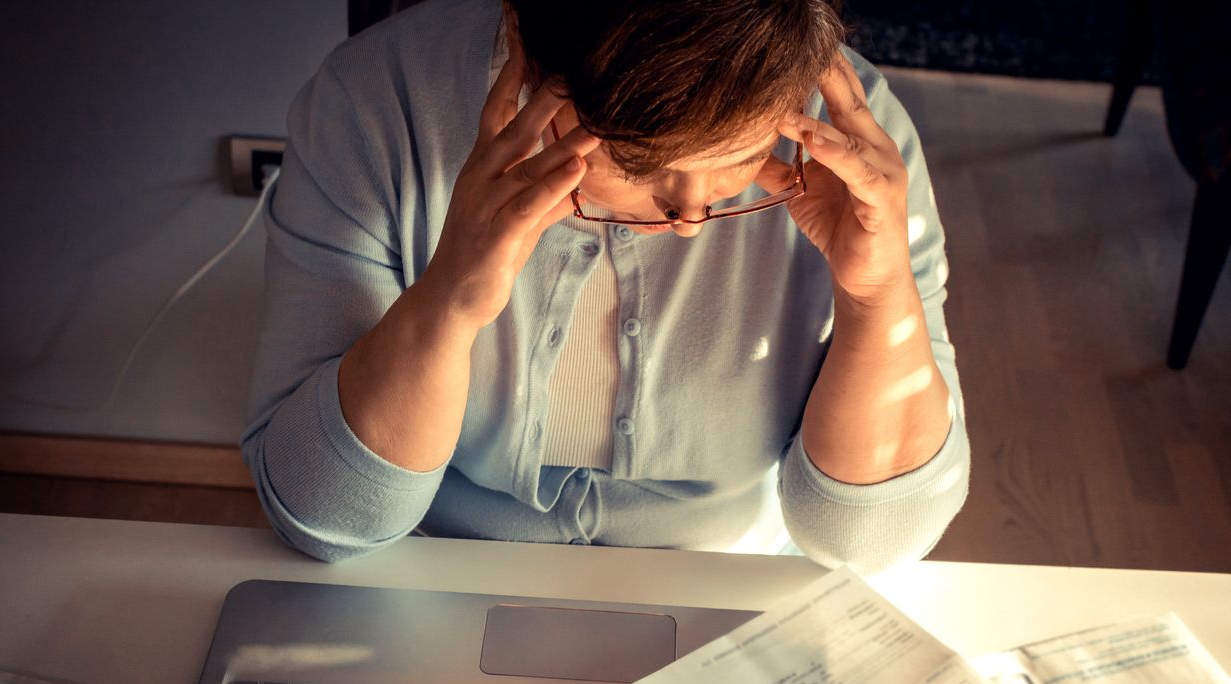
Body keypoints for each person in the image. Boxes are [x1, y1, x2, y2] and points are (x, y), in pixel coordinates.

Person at [241, 0, 970, 570]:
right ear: (523, 47)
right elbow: (324, 515)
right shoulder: (377, 102)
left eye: (739, 156)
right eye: (639, 165)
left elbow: (870, 540)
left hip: (730, 590)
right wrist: (449, 301)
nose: (691, 216)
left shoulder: (850, 144)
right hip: (429, 571)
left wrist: (878, 299)